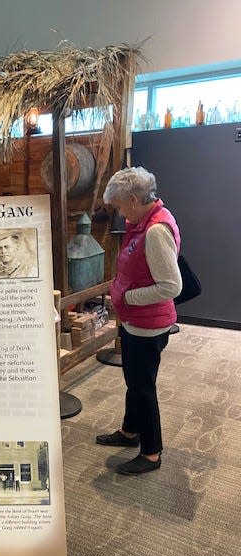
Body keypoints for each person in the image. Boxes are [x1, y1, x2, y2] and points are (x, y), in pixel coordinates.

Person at [96, 167, 182, 475]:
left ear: (133, 199)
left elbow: (172, 286)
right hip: (137, 321)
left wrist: (127, 297)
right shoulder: (142, 222)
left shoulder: (156, 230)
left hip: (148, 324)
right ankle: (130, 432)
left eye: (119, 205)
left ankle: (151, 453)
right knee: (134, 382)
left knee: (143, 387)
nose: (119, 212)